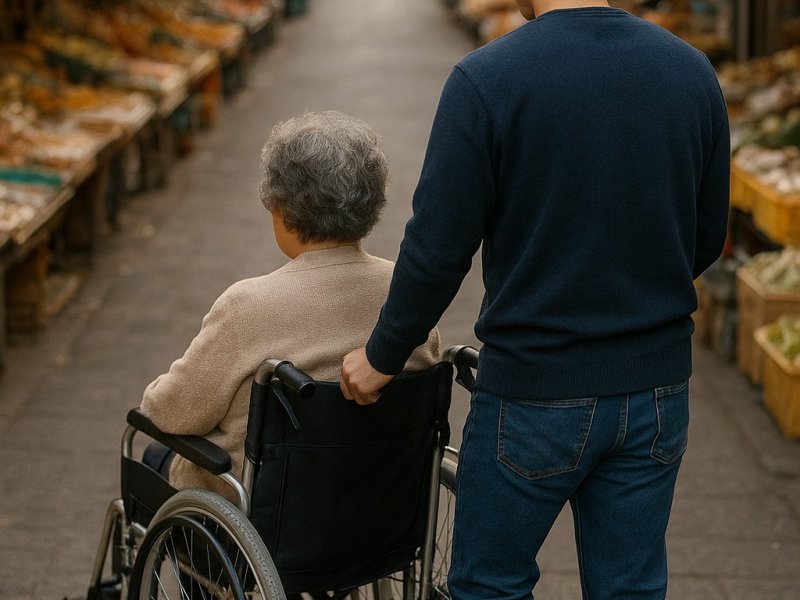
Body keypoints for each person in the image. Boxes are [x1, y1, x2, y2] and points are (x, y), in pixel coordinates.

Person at [340, 0, 730, 598]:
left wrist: (382, 356)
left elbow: (438, 249)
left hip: (533, 390)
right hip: (656, 391)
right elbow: (706, 236)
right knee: (631, 588)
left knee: (491, 585)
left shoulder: (487, 79)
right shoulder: (691, 72)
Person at [140, 111, 440, 502]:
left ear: (279, 206)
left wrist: (155, 396)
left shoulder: (247, 305)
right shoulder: (406, 296)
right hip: (374, 508)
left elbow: (172, 413)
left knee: (152, 451)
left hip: (264, 516)